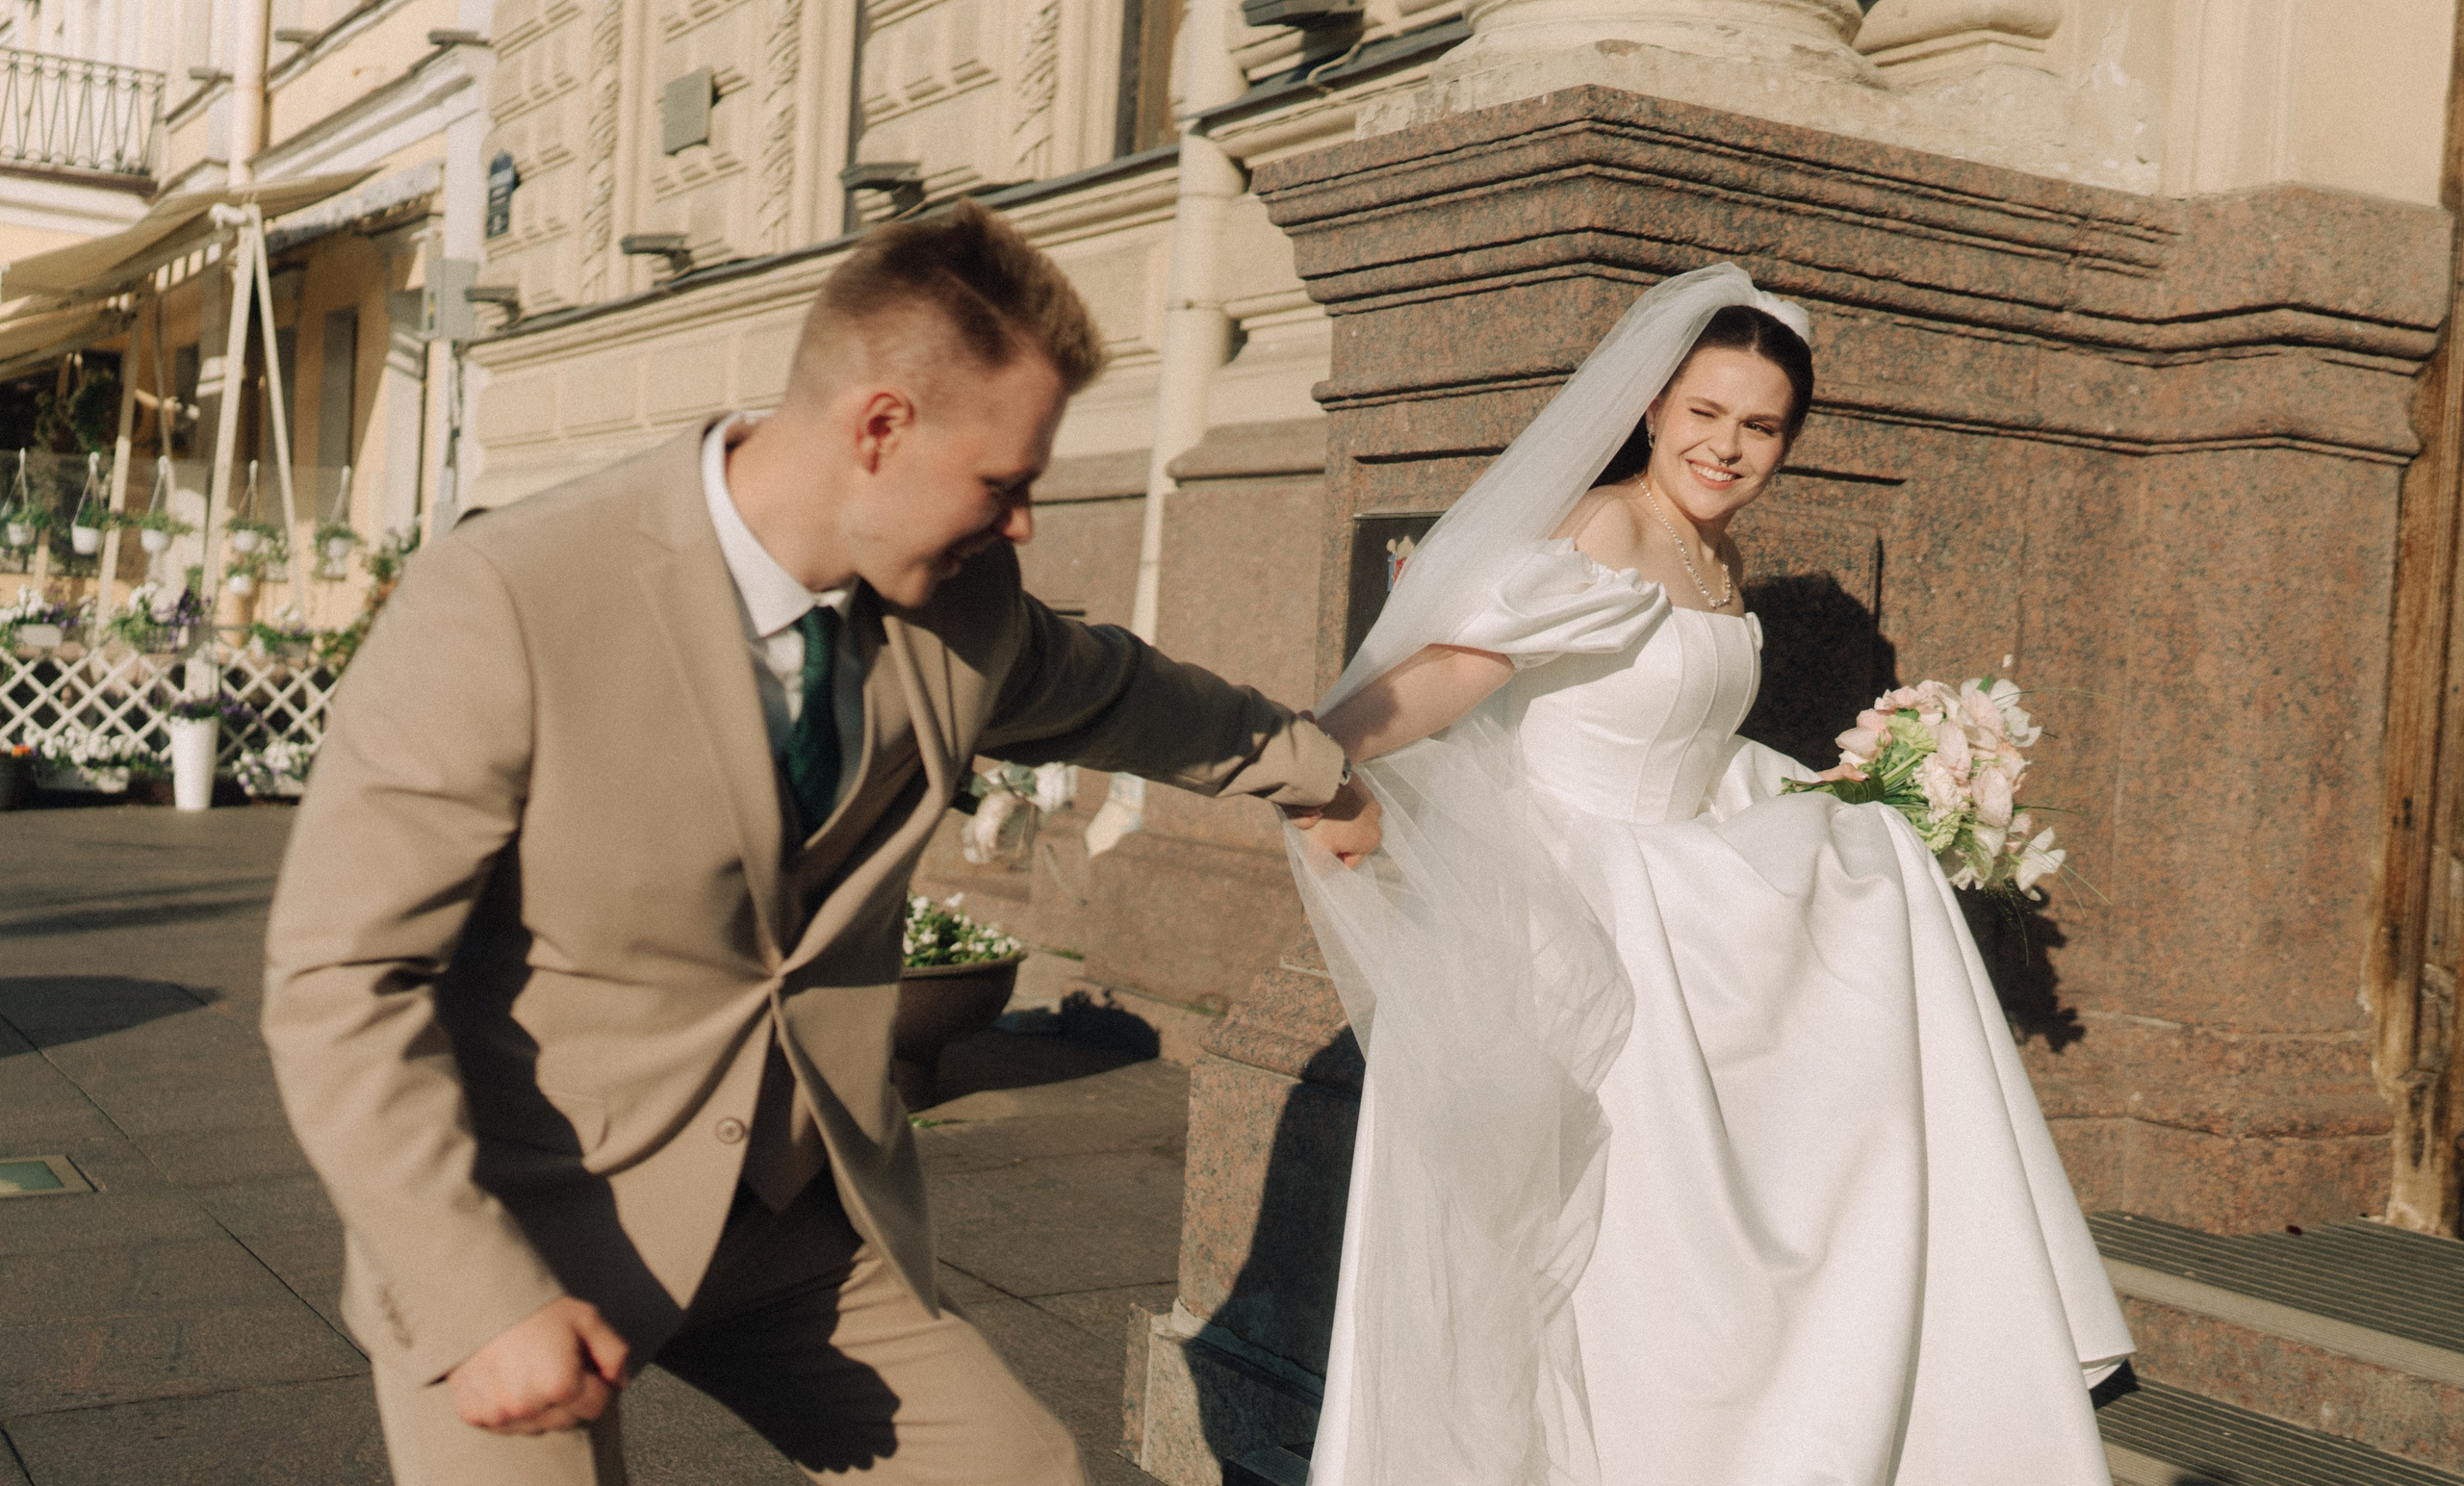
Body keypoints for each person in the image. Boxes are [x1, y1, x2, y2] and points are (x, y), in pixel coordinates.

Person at [260, 200, 1377, 1486]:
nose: (1022, 523)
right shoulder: (508, 594)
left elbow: (1118, 692)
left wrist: (1319, 775)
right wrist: (476, 1297)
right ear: (880, 427)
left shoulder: (961, 607)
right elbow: (338, 979)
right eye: (1004, 483)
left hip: (791, 1219)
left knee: (1023, 1471)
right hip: (522, 1216)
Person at [1286, 264, 2130, 1486]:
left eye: (1759, 426)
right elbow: (1457, 670)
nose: (1726, 447)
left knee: (1832, 1059)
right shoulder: (1606, 530)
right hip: (1587, 911)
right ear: (1650, 407)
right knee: (1628, 1239)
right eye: (1704, 412)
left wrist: (1855, 805)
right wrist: (1317, 760)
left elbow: (1687, 734)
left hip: (1680, 891)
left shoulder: (1714, 555)